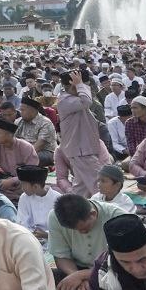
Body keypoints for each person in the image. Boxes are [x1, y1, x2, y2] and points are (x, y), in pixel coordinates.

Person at [49, 193, 130, 290]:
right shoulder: (55, 217)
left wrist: (83, 275)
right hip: (77, 269)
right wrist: (76, 278)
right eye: (75, 230)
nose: (81, 233)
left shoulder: (118, 217)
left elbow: (128, 263)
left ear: (93, 214)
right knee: (45, 277)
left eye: (84, 228)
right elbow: (61, 256)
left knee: (127, 283)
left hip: (111, 271)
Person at [58, 67, 110, 196]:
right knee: (100, 184)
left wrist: (79, 85)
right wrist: (79, 84)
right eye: (84, 85)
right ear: (73, 85)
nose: (86, 89)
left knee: (81, 188)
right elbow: (86, 101)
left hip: (82, 149)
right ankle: (107, 211)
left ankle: (74, 211)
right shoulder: (65, 100)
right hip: (81, 150)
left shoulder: (74, 99)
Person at [0, 120, 38, 201]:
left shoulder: (26, 147)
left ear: (10, 135)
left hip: (25, 181)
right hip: (6, 182)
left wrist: (13, 180)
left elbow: (33, 172)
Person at [14, 165, 60, 240]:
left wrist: (46, 235)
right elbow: (21, 223)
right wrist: (31, 234)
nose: (22, 188)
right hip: (29, 239)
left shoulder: (58, 199)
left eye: (23, 185)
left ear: (35, 186)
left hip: (53, 242)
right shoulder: (24, 197)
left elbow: (62, 229)